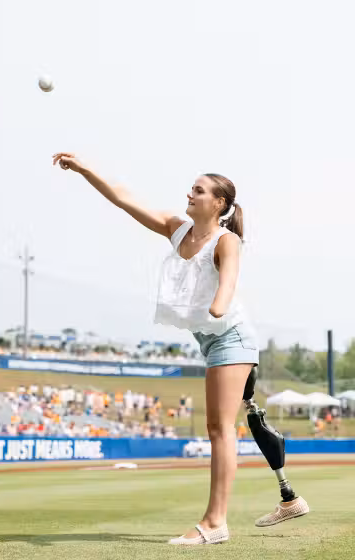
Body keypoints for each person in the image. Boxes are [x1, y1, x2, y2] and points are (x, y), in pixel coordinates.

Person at [52, 153, 308, 545]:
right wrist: (86, 169)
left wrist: (219, 303)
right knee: (219, 427)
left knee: (219, 429)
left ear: (219, 204)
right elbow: (123, 198)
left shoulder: (227, 240)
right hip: (214, 341)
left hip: (231, 337)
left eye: (199, 190)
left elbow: (230, 278)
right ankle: (284, 500)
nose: (190, 193)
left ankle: (215, 523)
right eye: (192, 187)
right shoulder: (177, 229)